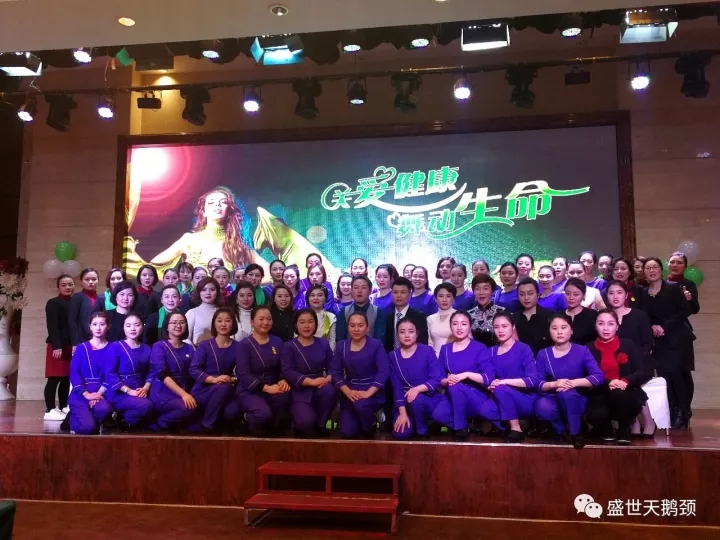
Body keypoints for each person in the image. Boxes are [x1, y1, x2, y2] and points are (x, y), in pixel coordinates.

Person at [150, 186, 269, 273]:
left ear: (229, 211)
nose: (217, 205)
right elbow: (151, 269)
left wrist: (249, 286)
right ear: (204, 212)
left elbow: (270, 273)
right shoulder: (189, 240)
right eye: (211, 203)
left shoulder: (239, 243)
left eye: (223, 202)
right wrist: (175, 286)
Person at [534, 314, 604, 449]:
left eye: (563, 327)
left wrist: (573, 383)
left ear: (571, 330)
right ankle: (559, 430)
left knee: (566, 394)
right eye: (554, 328)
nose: (559, 332)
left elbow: (598, 377)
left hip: (575, 396)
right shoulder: (543, 354)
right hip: (553, 396)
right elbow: (538, 383)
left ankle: (575, 433)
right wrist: (555, 384)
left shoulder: (582, 351)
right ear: (549, 331)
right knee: (542, 406)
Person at [639, 258, 692, 429]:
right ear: (644, 272)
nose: (652, 270)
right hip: (658, 340)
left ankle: (682, 411)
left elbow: (684, 311)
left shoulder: (673, 288)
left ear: (661, 270)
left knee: (676, 373)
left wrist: (664, 326)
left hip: (677, 337)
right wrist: (652, 327)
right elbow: (643, 316)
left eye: (655, 267)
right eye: (648, 268)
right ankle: (671, 409)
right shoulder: (643, 293)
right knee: (664, 375)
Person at [585, 310, 651, 444]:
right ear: (595, 326)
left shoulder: (628, 345)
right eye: (601, 324)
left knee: (620, 396)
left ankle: (624, 429)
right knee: (595, 413)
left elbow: (643, 371)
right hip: (599, 391)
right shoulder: (587, 349)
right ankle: (606, 429)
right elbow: (586, 376)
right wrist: (608, 383)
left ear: (617, 326)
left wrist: (625, 381)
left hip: (625, 391)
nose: (605, 328)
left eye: (610, 324)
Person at [431, 311, 492, 441]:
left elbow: (488, 378)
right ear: (450, 326)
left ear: (470, 327)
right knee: (438, 415)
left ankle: (460, 428)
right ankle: (466, 425)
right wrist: (447, 380)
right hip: (452, 394)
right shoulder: (445, 349)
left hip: (474, 394)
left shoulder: (480, 348)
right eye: (455, 324)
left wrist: (466, 375)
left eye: (463, 324)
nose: (459, 327)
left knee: (455, 386)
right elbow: (439, 378)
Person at [478, 313, 539, 443]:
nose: (500, 330)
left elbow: (533, 380)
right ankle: (508, 428)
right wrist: (491, 385)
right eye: (496, 327)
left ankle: (516, 429)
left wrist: (504, 382)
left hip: (524, 398)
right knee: (484, 409)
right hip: (501, 397)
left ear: (513, 327)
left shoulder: (523, 349)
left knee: (501, 388)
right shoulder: (491, 352)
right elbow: (488, 378)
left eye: (504, 326)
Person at [606, 279, 655, 438]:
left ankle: (648, 421)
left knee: (630, 380)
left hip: (640, 363)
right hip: (617, 365)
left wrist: (634, 360)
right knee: (618, 379)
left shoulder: (639, 315)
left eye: (619, 293)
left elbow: (648, 343)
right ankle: (632, 421)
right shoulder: (605, 317)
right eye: (611, 293)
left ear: (626, 295)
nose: (615, 297)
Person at [331, 312, 388, 439]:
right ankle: (362, 422)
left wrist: (368, 393)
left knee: (361, 405)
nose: (356, 329)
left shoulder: (376, 345)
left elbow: (383, 371)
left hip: (372, 391)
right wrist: (347, 392)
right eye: (352, 325)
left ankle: (371, 424)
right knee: (347, 432)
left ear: (367, 327)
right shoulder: (341, 346)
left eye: (360, 325)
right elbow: (335, 372)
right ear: (348, 327)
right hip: (350, 390)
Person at [281, 309, 337, 437]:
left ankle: (321, 424)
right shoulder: (288, 346)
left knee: (330, 390)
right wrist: (311, 382)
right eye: (302, 322)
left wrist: (329, 377)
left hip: (320, 387)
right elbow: (287, 371)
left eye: (310, 321)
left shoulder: (323, 343)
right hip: (299, 390)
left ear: (315, 323)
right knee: (305, 422)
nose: (307, 326)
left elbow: (333, 366)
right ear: (296, 325)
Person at [236, 306, 290, 435]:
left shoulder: (277, 342)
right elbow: (243, 374)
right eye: (261, 319)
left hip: (273, 385)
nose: (265, 322)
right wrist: (266, 388)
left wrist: (283, 380)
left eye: (269, 319)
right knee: (263, 414)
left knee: (285, 396)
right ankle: (244, 419)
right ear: (252, 322)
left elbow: (284, 366)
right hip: (250, 389)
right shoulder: (244, 345)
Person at [389, 318, 444, 440]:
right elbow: (396, 386)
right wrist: (402, 413)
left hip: (428, 399)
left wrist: (417, 389)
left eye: (411, 331)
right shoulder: (393, 356)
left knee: (417, 399)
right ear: (397, 335)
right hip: (404, 402)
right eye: (402, 332)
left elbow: (436, 378)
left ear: (417, 333)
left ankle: (422, 430)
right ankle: (411, 422)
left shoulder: (427, 351)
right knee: (401, 434)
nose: (407, 335)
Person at [189, 308, 239, 432]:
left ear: (233, 324)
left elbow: (242, 372)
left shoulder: (238, 347)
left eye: (227, 321)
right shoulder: (205, 345)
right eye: (219, 321)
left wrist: (231, 379)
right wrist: (214, 380)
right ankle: (207, 424)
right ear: (214, 324)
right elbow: (194, 369)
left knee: (232, 411)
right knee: (224, 387)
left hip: (227, 387)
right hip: (204, 389)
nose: (223, 324)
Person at [148, 312, 200, 432]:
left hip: (184, 387)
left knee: (196, 427)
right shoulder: (159, 346)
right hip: (164, 390)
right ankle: (161, 422)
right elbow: (162, 374)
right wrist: (184, 394)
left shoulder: (188, 347)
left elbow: (194, 371)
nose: (178, 325)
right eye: (174, 323)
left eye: (182, 322)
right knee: (188, 408)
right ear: (167, 326)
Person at [105, 313, 155, 430]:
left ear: (142, 326)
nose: (132, 329)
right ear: (123, 328)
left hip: (140, 389)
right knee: (146, 406)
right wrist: (129, 391)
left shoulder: (146, 348)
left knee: (158, 404)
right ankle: (125, 421)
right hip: (120, 392)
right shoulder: (115, 346)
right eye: (128, 325)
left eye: (136, 325)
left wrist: (145, 388)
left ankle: (124, 419)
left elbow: (151, 371)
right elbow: (110, 374)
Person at [67, 311, 114, 435]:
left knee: (104, 409)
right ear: (90, 327)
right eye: (95, 324)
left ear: (108, 326)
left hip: (101, 393)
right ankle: (73, 420)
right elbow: (74, 373)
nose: (98, 328)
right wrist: (86, 394)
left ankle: (92, 420)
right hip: (81, 393)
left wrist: (98, 394)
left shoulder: (113, 348)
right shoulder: (81, 348)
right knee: (88, 429)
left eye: (102, 324)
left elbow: (112, 374)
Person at [667, 251, 700, 417]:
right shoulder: (662, 284)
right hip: (663, 335)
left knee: (683, 372)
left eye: (679, 262)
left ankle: (684, 409)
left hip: (681, 334)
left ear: (685, 267)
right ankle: (672, 408)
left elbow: (694, 309)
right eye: (672, 262)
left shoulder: (689, 284)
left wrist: (689, 299)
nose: (675, 265)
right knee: (668, 373)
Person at [44, 274, 74, 421]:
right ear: (58, 287)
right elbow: (52, 326)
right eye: (64, 285)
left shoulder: (75, 302)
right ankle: (49, 409)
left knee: (66, 379)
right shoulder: (53, 303)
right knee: (54, 378)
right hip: (57, 346)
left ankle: (63, 406)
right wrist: (57, 346)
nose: (67, 287)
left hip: (70, 346)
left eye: (70, 284)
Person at [335, 276, 387, 342]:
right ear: (351, 290)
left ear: (370, 291)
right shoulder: (344, 312)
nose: (359, 291)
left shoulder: (378, 312)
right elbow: (340, 339)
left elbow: (379, 340)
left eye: (363, 287)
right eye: (356, 288)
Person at [514, 278, 552, 355]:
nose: (526, 298)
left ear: (538, 294)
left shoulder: (550, 317)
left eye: (530, 293)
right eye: (522, 294)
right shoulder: (514, 318)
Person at [68, 268, 104, 350]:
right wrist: (75, 343)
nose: (90, 282)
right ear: (81, 282)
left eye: (94, 279)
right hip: (80, 340)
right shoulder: (77, 297)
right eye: (87, 279)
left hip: (97, 339)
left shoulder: (101, 299)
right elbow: (72, 321)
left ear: (98, 281)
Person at [467, 274, 505, 347]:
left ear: (492, 291)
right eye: (477, 289)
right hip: (475, 353)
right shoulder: (468, 315)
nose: (481, 292)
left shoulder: (502, 313)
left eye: (485, 288)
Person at [185, 277, 223, 346]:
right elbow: (185, 338)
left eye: (212, 290)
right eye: (204, 290)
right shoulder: (192, 313)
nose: (208, 293)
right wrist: (195, 351)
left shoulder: (223, 313)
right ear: (199, 292)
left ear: (217, 292)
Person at [564, 278, 597, 344]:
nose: (571, 298)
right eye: (567, 293)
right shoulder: (558, 316)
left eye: (576, 294)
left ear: (584, 295)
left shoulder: (593, 316)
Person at [427, 283, 457, 356]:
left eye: (448, 296)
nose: (444, 300)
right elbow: (429, 343)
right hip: (434, 357)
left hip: (454, 356)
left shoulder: (459, 316)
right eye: (441, 296)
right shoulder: (430, 318)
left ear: (453, 299)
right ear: (435, 299)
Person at [306, 284, 337, 350]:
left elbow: (332, 341)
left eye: (320, 295)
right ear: (307, 298)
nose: (316, 298)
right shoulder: (301, 316)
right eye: (312, 295)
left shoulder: (331, 317)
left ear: (325, 299)